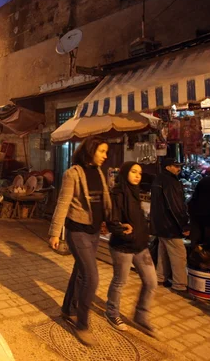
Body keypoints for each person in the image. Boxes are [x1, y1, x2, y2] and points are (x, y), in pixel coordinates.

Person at [48, 136, 111, 346]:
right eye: (102, 151)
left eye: (106, 152)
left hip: (94, 231)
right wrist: (55, 232)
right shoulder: (72, 174)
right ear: (91, 150)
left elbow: (103, 200)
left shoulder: (99, 172)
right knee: (91, 278)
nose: (105, 155)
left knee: (80, 273)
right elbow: (63, 203)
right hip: (78, 232)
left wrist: (110, 221)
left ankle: (68, 309)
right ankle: (82, 324)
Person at [105, 162, 157, 337]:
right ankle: (112, 313)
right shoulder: (118, 193)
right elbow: (112, 221)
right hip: (123, 247)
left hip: (140, 246)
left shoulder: (135, 193)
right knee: (120, 282)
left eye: (140, 173)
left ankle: (141, 316)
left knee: (151, 282)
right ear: (125, 172)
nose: (137, 175)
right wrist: (124, 232)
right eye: (134, 172)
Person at [151, 158, 190, 292]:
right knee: (179, 254)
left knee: (163, 252)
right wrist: (184, 225)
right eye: (176, 166)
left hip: (160, 224)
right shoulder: (171, 182)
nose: (178, 169)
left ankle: (160, 277)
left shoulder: (158, 179)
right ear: (168, 167)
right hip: (170, 225)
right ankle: (179, 284)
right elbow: (175, 205)